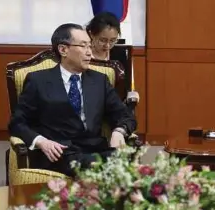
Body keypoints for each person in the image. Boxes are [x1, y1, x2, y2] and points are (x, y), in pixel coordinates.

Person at [8, 23, 137, 177]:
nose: (90, 52)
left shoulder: (99, 81)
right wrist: (41, 141)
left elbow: (125, 115)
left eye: (90, 46)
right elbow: (17, 122)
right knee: (113, 166)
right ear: (63, 50)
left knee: (123, 159)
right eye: (83, 46)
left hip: (94, 150)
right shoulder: (38, 80)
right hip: (58, 154)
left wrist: (119, 131)